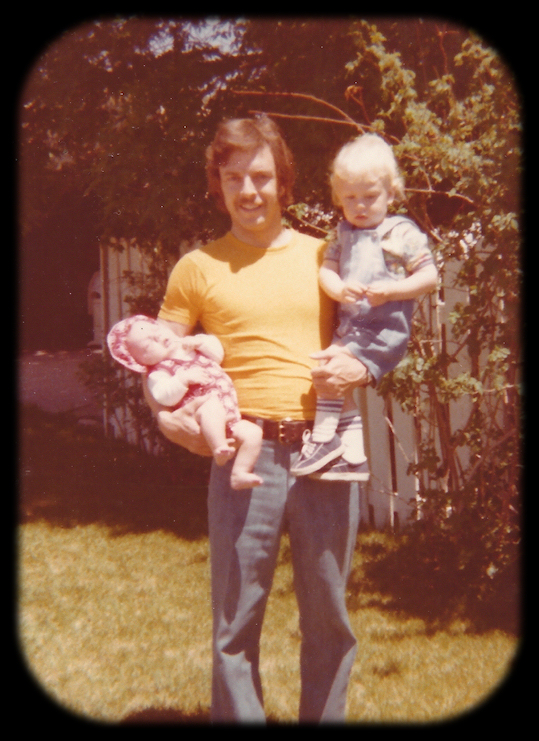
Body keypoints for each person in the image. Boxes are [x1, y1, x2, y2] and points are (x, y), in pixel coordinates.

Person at [143, 115, 387, 723]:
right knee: (235, 616)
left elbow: (378, 333)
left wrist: (364, 369)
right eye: (234, 179)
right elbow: (157, 361)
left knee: (329, 612)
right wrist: (166, 415)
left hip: (327, 441)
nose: (248, 191)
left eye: (260, 176)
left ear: (283, 180)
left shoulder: (326, 254)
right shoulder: (197, 268)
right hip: (241, 450)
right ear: (217, 185)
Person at [291, 133, 438, 480]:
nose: (359, 206)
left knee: (327, 373)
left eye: (369, 197)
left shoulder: (401, 233)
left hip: (383, 331)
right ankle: (353, 457)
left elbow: (430, 277)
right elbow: (326, 271)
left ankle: (325, 440)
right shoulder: (343, 234)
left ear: (391, 191)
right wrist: (341, 290)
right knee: (330, 372)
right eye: (349, 199)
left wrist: (393, 290)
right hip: (353, 328)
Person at [107, 315, 263, 490]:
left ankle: (240, 473)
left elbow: (218, 355)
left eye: (155, 330)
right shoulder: (160, 372)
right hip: (203, 411)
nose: (157, 337)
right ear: (141, 361)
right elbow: (163, 396)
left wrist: (199, 343)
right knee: (212, 407)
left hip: (232, 416)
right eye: (149, 344)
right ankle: (219, 447)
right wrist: (182, 380)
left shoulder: (191, 348)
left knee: (254, 433)